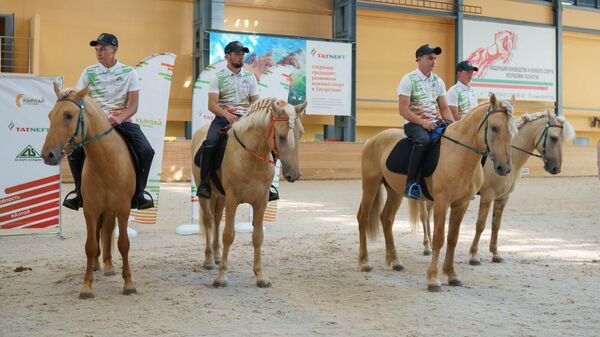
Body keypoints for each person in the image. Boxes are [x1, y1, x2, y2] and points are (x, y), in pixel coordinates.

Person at [62, 32, 155, 211]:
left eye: (103, 48)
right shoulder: (88, 72)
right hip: (94, 123)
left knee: (146, 150)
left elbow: (134, 105)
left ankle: (139, 194)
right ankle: (78, 193)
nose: (99, 52)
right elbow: (80, 99)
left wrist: (119, 118)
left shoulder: (129, 73)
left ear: (114, 50)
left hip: (123, 121)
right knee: (74, 151)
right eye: (97, 49)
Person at [195, 41, 279, 201]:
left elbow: (255, 103)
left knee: (269, 144)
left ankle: (269, 184)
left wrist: (249, 117)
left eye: (242, 54)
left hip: (245, 119)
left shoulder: (250, 77)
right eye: (237, 54)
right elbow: (211, 104)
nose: (241, 57)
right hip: (222, 118)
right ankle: (205, 183)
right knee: (210, 143)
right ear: (227, 56)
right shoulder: (217, 77)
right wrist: (226, 115)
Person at [397, 44, 454, 199]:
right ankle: (412, 183)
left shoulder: (438, 81)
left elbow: (444, 108)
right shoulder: (408, 80)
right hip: (414, 124)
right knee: (423, 141)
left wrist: (453, 125)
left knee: (454, 139)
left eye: (435, 58)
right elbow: (403, 111)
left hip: (435, 121)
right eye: (430, 58)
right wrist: (423, 123)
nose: (434, 61)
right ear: (419, 58)